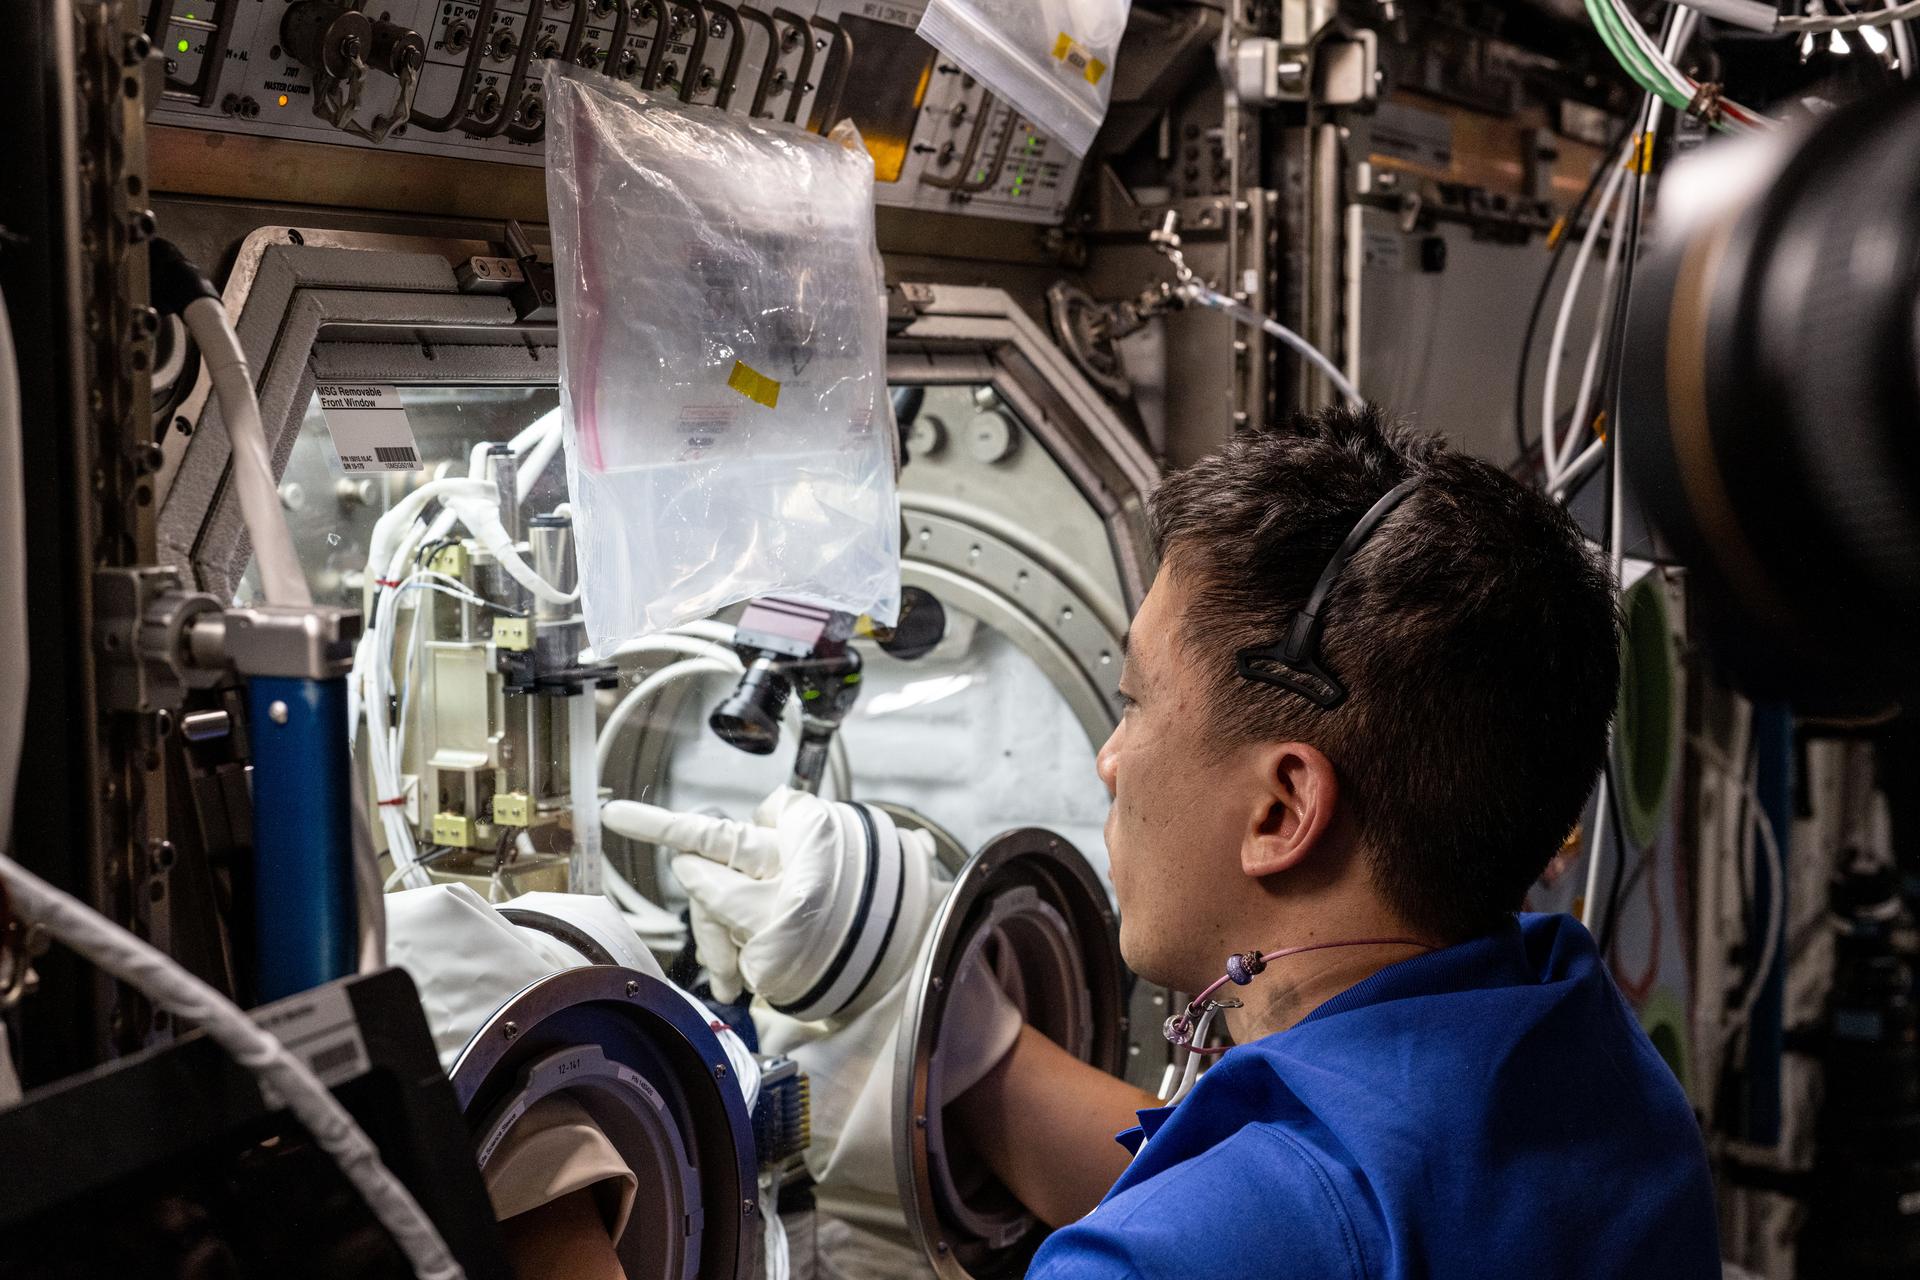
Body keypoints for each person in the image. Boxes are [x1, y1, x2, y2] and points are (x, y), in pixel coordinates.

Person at [627, 405, 1722, 1279]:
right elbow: (1280, 1195)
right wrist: (954, 1021)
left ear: (1282, 810)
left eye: (1136, 701)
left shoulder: (1167, 1257)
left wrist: (558, 1187)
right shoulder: (1598, 1071)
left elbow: (1243, 1228)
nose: (1111, 759)